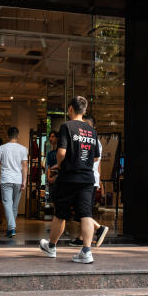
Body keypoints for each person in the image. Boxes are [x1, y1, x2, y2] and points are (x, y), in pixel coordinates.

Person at [39, 96, 100, 263]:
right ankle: (86, 252)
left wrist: (59, 164)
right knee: (86, 214)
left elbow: (61, 152)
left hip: (69, 177)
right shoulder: (91, 131)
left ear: (70, 109)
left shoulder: (67, 126)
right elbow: (95, 158)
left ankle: (51, 247)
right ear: (85, 110)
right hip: (87, 178)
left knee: (61, 214)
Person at [69, 116, 109, 247]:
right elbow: (99, 164)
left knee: (83, 210)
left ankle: (99, 228)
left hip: (88, 179)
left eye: (85, 124)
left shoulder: (94, 141)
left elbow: (96, 160)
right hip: (89, 179)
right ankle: (82, 237)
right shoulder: (89, 140)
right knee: (83, 209)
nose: (82, 127)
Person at [0, 127, 29, 237]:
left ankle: (11, 227)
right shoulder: (23, 149)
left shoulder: (2, 148)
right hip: (18, 180)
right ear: (18, 136)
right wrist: (24, 181)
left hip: (6, 179)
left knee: (7, 203)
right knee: (14, 206)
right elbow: (24, 166)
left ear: (7, 136)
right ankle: (11, 228)